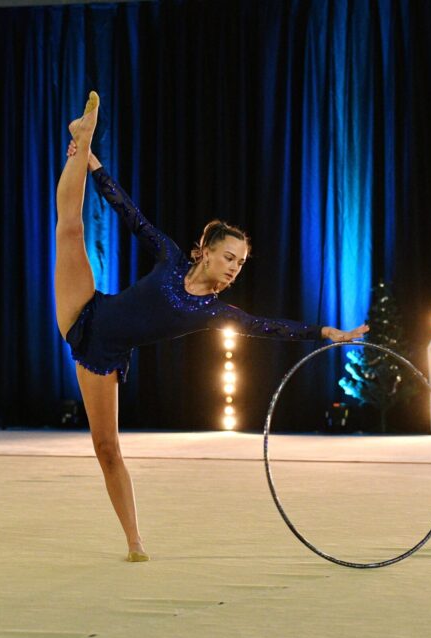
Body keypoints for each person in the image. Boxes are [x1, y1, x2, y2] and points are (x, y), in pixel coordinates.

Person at [55, 92, 368, 562]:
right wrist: (92, 163)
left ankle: (134, 541)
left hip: (104, 355)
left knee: (106, 448)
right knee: (71, 229)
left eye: (240, 263)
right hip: (84, 309)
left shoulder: (213, 312)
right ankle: (83, 138)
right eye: (229, 257)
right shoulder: (169, 257)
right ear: (205, 252)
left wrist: (326, 332)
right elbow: (128, 213)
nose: (234, 268)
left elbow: (267, 327)